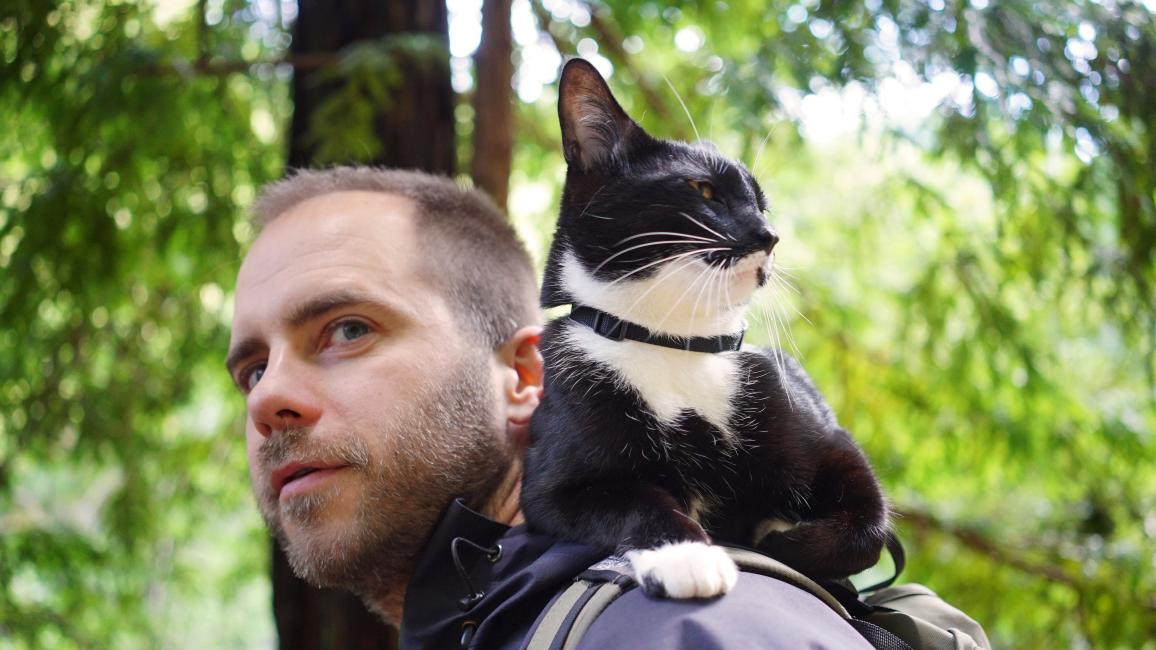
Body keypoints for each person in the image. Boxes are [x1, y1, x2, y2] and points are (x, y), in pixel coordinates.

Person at [226, 166, 874, 649]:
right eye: (252, 370)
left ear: (522, 374)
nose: (269, 398)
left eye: (348, 329)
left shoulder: (686, 626)